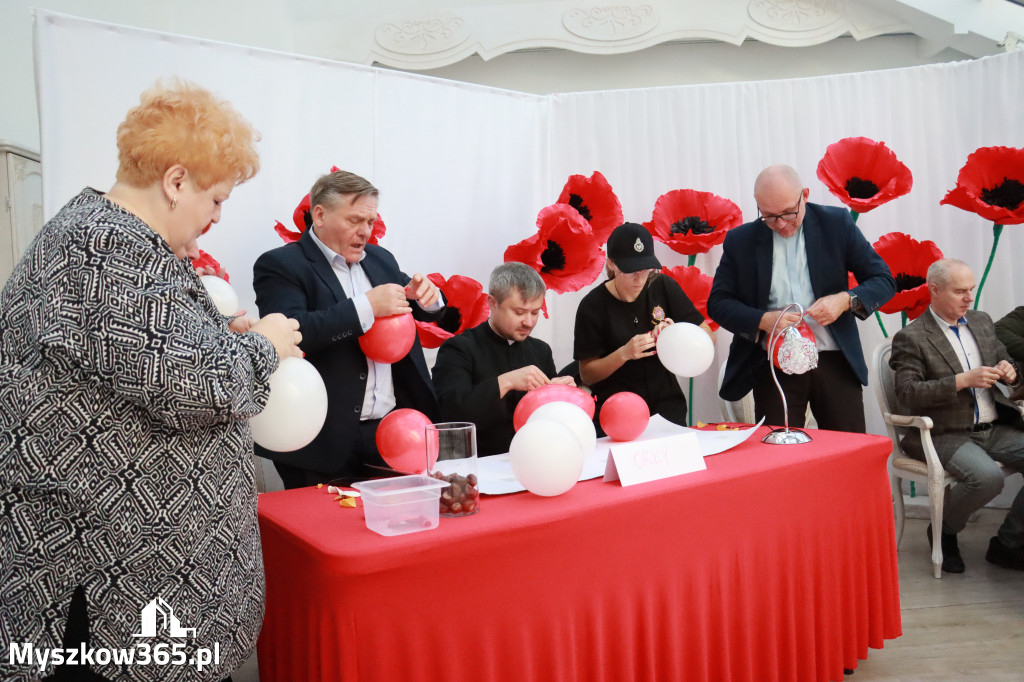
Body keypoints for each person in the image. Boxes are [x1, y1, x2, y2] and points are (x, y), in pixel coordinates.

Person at [0, 81, 302, 682]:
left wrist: (222, 335)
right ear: (176, 180)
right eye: (215, 200)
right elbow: (201, 384)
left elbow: (145, 363)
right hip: (107, 591)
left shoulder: (111, 243)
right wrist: (263, 345)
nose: (216, 217)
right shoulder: (105, 247)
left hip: (129, 586)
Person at [253, 170, 444, 488]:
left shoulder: (381, 260)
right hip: (320, 440)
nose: (365, 232)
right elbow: (292, 332)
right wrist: (368, 306)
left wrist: (429, 297)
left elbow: (417, 309)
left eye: (370, 222)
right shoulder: (280, 265)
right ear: (320, 214)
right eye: (355, 220)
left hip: (390, 434)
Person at [707, 164, 895, 433]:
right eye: (769, 216)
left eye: (788, 213)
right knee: (780, 460)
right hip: (773, 362)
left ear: (804, 195)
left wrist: (844, 300)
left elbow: (883, 280)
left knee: (846, 455)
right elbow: (718, 303)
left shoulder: (837, 224)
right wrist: (762, 321)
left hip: (834, 358)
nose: (781, 224)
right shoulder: (741, 240)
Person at [889, 259, 1024, 573]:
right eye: (960, 291)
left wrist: (1010, 373)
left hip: (993, 427)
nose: (969, 298)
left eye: (971, 290)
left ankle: (1009, 543)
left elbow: (1008, 365)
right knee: (987, 479)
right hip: (944, 432)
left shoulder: (981, 322)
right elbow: (907, 393)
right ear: (934, 290)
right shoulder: (913, 337)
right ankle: (945, 532)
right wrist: (962, 380)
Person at [574, 222, 711, 428]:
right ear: (611, 264)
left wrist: (675, 334)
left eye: (645, 268)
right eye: (630, 271)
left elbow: (708, 336)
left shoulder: (663, 286)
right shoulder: (592, 307)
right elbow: (587, 374)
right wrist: (624, 354)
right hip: (619, 411)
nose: (639, 278)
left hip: (667, 406)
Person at [432, 262, 576, 456]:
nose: (529, 321)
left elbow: (550, 418)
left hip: (535, 460)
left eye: (535, 312)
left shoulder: (540, 350)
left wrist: (564, 395)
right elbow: (450, 414)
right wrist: (505, 382)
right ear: (492, 303)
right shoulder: (458, 348)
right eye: (519, 312)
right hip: (478, 465)